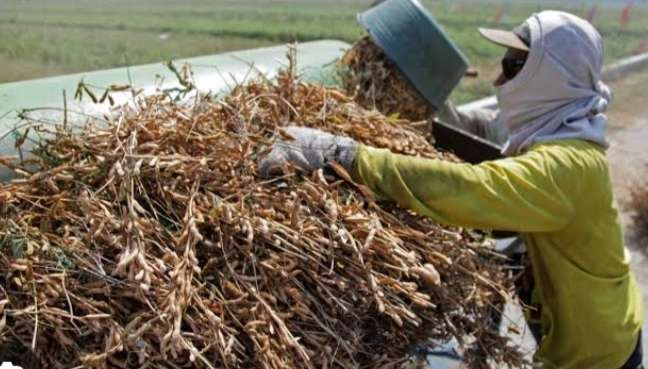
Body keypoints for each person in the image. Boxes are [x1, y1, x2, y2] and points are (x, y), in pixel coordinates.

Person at [259, 10, 644, 369]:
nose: (498, 80)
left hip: (596, 351)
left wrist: (348, 155)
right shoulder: (559, 130)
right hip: (586, 316)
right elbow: (489, 129)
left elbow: (473, 189)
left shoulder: (566, 166)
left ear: (551, 76)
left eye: (514, 67)